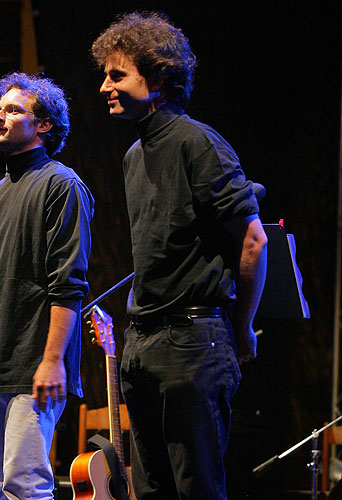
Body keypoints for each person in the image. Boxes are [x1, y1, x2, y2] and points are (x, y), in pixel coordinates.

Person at [91, 11, 268, 500]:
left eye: (117, 74)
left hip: (193, 343)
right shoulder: (133, 156)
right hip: (144, 343)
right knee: (150, 490)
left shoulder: (197, 142)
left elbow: (253, 241)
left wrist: (239, 328)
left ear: (160, 78)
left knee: (197, 489)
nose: (105, 85)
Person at [0, 72, 94, 500]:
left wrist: (54, 361)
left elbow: (69, 282)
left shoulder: (61, 185)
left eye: (13, 109)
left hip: (35, 365)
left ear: (44, 125)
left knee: (24, 484)